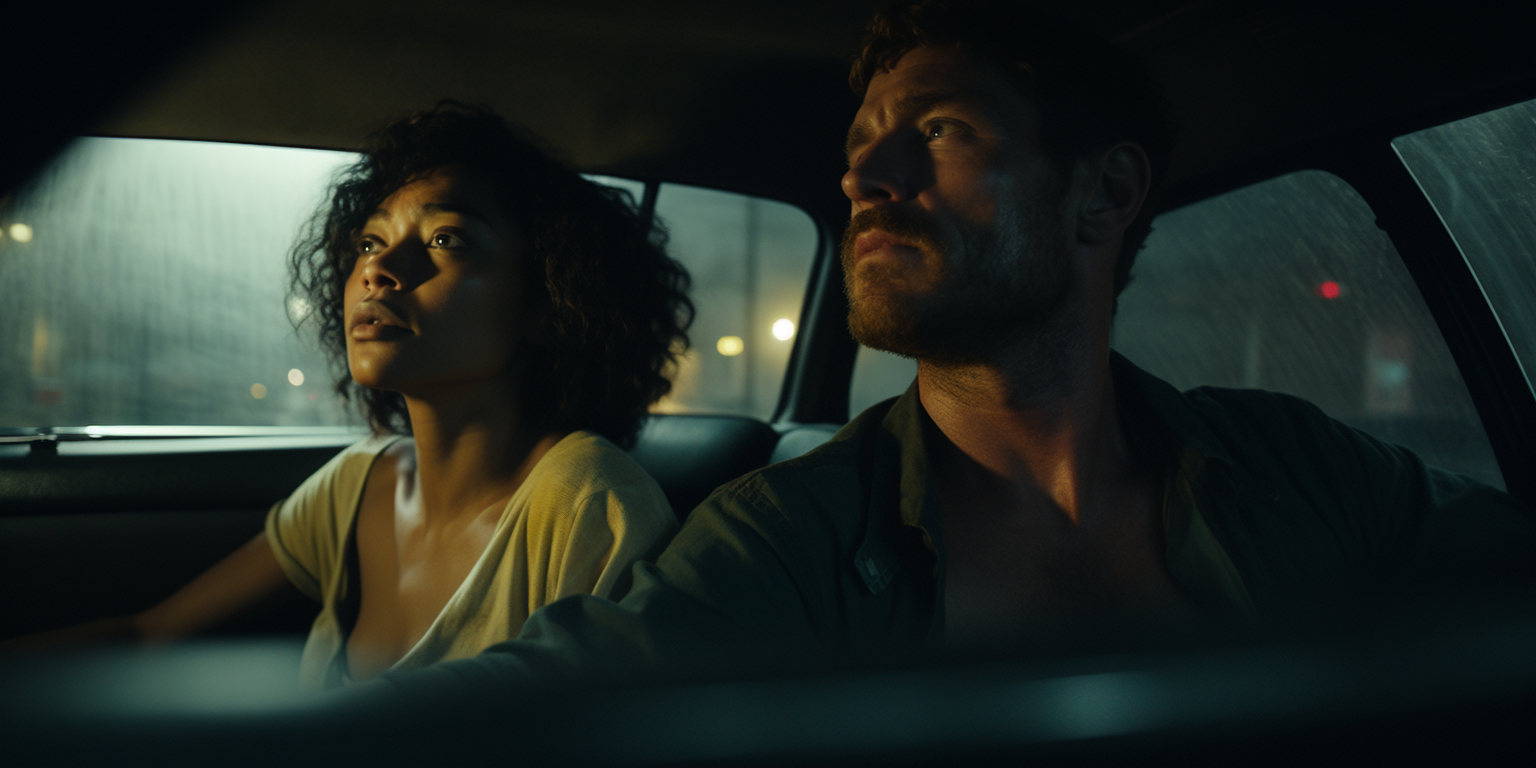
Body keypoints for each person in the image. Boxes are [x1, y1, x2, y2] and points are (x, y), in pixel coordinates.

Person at [368, 1, 1534, 697]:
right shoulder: (791, 539)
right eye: (863, 143)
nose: (865, 176)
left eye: (938, 129)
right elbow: (519, 707)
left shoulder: (1299, 466)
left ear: (1104, 192)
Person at [6, 103, 693, 688]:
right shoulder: (360, 483)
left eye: (446, 239)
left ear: (550, 303)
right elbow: (147, 633)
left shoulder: (587, 500)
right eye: (371, 240)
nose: (379, 270)